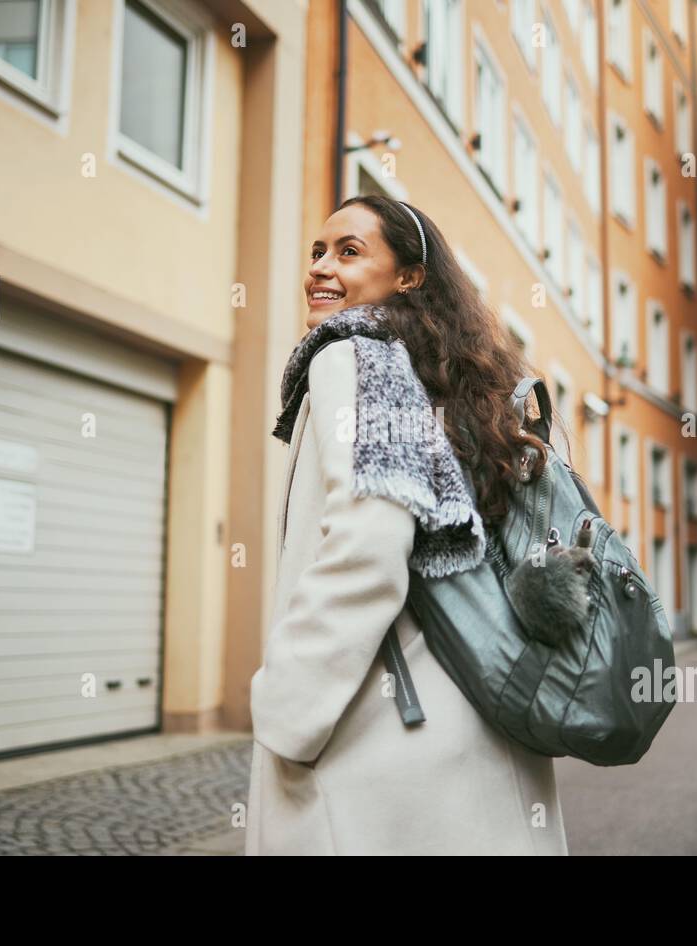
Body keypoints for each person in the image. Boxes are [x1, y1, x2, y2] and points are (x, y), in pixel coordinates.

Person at [245, 195, 569, 855]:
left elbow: (372, 536)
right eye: (317, 250)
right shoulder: (448, 383)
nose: (320, 267)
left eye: (349, 251)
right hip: (471, 722)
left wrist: (289, 706)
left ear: (409, 276)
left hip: (377, 739)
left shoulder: (354, 355)